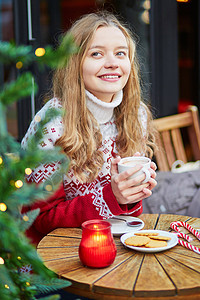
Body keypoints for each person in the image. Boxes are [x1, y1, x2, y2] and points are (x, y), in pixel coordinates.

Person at [21, 10, 157, 245]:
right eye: (97, 54)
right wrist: (111, 196)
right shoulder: (53, 123)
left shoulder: (136, 115)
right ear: (75, 64)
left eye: (120, 53)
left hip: (112, 243)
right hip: (54, 256)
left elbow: (127, 215)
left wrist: (130, 194)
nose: (112, 63)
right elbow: (41, 219)